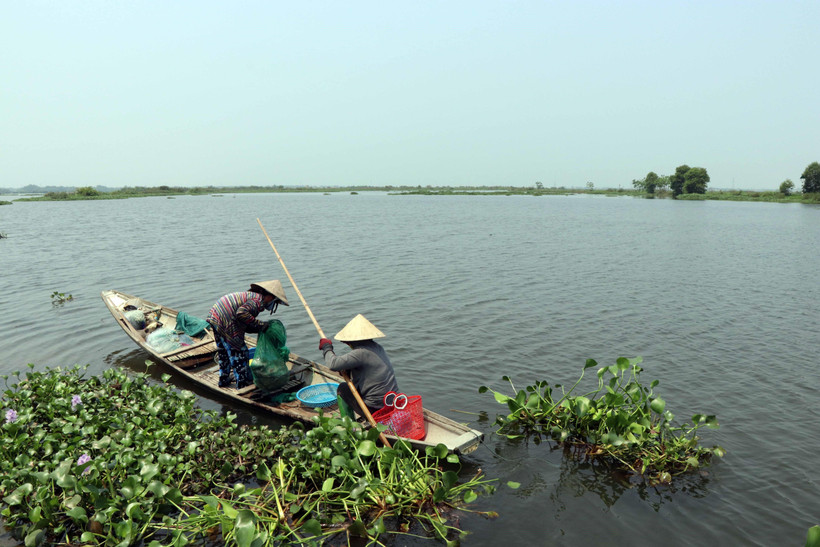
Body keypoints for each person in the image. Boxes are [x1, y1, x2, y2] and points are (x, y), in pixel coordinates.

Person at [207, 280, 289, 389]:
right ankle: (242, 385)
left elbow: (245, 322)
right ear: (269, 296)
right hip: (226, 319)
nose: (273, 303)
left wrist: (259, 328)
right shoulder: (257, 301)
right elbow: (241, 314)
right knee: (240, 352)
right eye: (275, 300)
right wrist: (259, 324)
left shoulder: (253, 297)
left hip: (215, 316)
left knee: (223, 351)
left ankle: (224, 380)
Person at [319, 314, 398, 418]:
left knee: (343, 388)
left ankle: (349, 424)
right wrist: (348, 370)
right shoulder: (378, 348)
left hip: (374, 408)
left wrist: (327, 348)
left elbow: (333, 364)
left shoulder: (361, 353)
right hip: (392, 402)